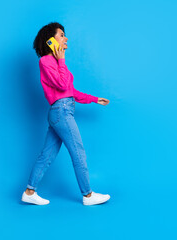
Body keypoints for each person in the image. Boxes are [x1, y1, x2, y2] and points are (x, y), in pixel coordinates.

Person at [21, 22, 111, 206]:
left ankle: (30, 191)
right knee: (78, 152)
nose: (66, 38)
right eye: (61, 35)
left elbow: (70, 91)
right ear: (51, 41)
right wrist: (61, 60)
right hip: (61, 111)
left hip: (61, 110)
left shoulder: (54, 62)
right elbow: (62, 86)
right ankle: (88, 195)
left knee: (46, 155)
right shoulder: (46, 61)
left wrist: (94, 99)